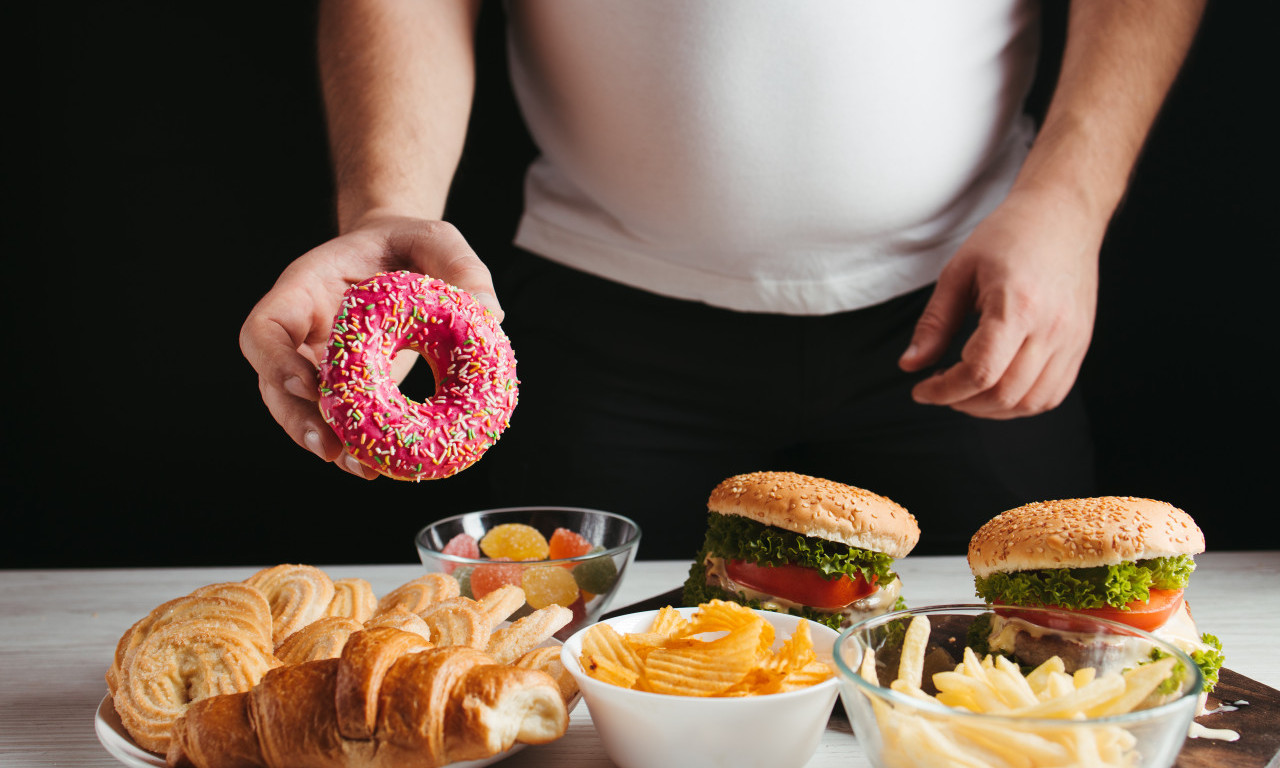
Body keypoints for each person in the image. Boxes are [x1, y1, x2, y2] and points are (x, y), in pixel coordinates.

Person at [240, 0, 1205, 558]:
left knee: (1032, 682)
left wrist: (1073, 201)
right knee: (575, 704)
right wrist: (389, 212)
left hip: (970, 308)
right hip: (603, 326)